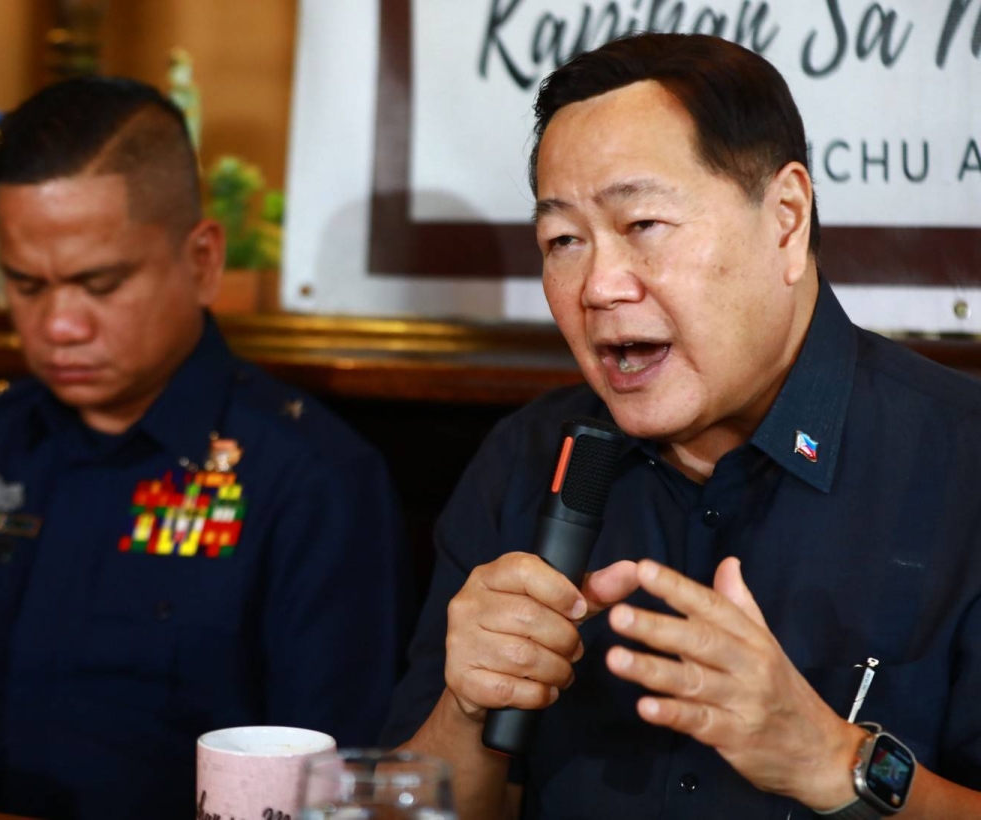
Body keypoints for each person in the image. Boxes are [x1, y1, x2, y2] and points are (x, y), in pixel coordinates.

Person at [381, 33, 981, 820]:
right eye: (562, 240)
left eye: (644, 225)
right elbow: (404, 805)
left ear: (786, 221)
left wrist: (831, 761)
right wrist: (468, 704)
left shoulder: (961, 461)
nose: (598, 285)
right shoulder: (526, 459)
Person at [0, 77, 408, 819]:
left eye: (98, 283)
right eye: (27, 285)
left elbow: (334, 791)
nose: (60, 324)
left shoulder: (311, 479)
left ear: (201, 260)